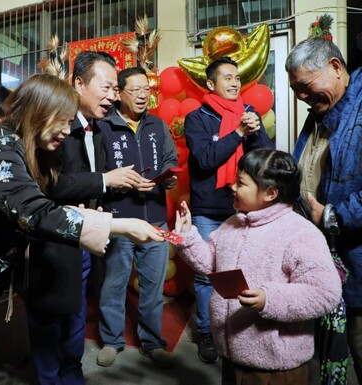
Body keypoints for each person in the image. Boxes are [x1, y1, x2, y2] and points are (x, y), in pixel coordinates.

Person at [0, 74, 163, 385]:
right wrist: (122, 226)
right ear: (36, 112)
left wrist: (78, 213)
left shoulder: (25, 146)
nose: (66, 130)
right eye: (60, 121)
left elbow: (37, 199)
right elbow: (34, 213)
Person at [25, 51, 145, 385]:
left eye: (115, 89)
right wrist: (106, 180)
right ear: (78, 83)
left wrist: (118, 186)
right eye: (106, 87)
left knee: (76, 316)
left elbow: (97, 179)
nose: (113, 96)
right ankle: (49, 377)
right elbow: (48, 185)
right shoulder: (54, 127)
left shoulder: (100, 129)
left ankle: (72, 372)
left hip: (85, 239)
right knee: (49, 321)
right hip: (52, 242)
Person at [174, 148, 342, 385]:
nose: (232, 187)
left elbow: (325, 293)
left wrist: (269, 299)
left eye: (241, 183)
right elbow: (210, 263)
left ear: (270, 192)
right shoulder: (233, 223)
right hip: (233, 357)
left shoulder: (300, 233)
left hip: (276, 367)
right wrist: (187, 236)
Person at [184, 56, 273, 363]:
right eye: (228, 78)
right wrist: (236, 133)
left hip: (244, 208)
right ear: (211, 84)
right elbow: (205, 160)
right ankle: (207, 332)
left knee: (243, 271)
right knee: (206, 275)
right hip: (209, 209)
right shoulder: (197, 118)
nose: (235, 83)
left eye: (237, 78)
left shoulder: (249, 113)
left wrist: (256, 131)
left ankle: (237, 329)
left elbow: (266, 159)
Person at [286, 37, 362, 384]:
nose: (302, 97)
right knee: (329, 355)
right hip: (323, 262)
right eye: (296, 90)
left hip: (356, 264)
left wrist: (330, 216)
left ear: (335, 67)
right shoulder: (319, 110)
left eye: (306, 86)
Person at [95, 66, 178, 368]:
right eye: (136, 90)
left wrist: (168, 180)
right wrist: (119, 181)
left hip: (154, 217)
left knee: (152, 286)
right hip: (119, 220)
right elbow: (97, 174)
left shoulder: (157, 125)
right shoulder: (103, 127)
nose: (143, 95)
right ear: (118, 94)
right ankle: (112, 340)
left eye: (147, 89)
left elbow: (170, 159)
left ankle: (152, 340)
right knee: (113, 284)